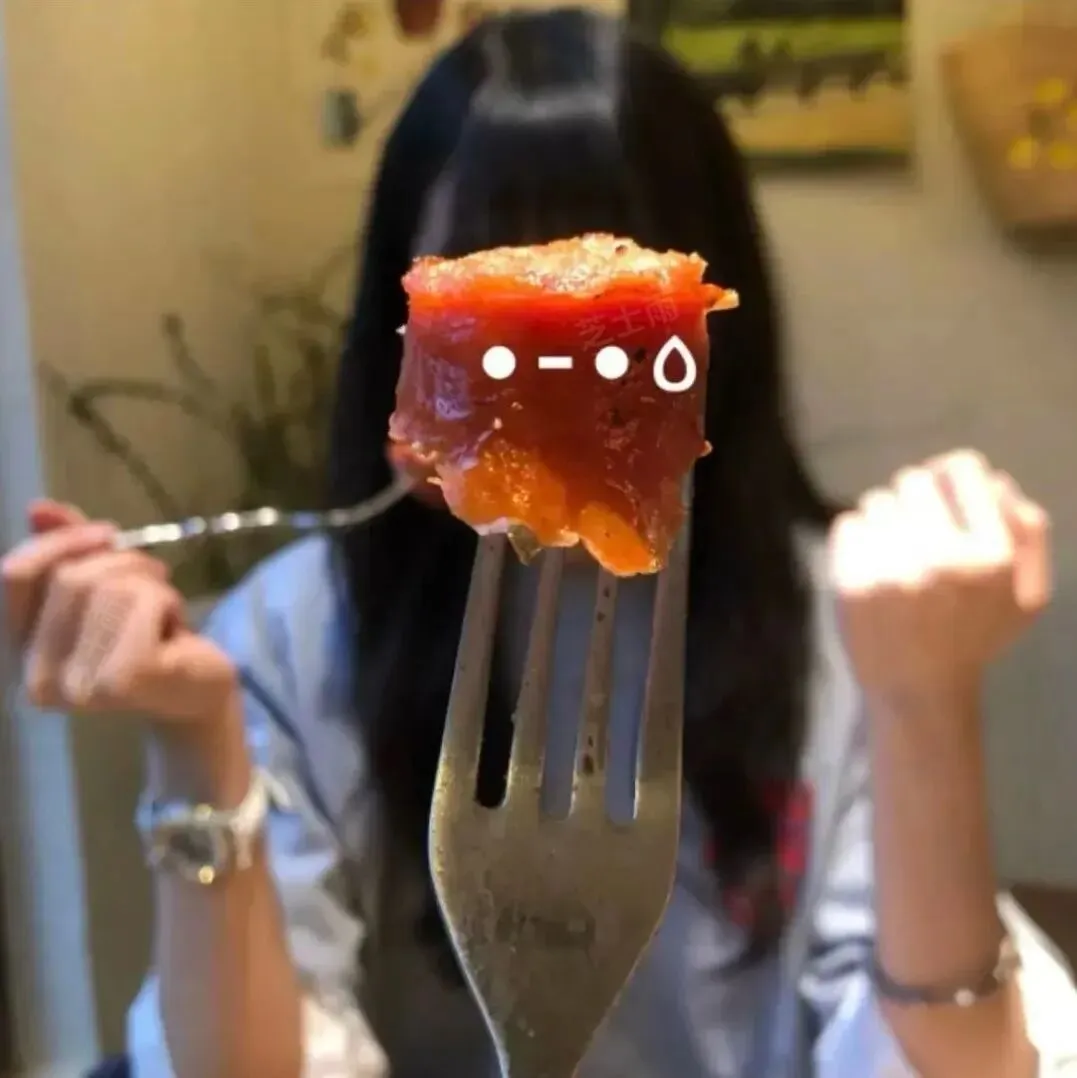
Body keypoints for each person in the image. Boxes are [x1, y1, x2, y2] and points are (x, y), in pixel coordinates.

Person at [3, 9, 1076, 1078]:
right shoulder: (292, 635)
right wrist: (193, 741)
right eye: (493, 317)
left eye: (613, 325)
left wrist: (927, 706)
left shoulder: (852, 631)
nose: (549, 375)